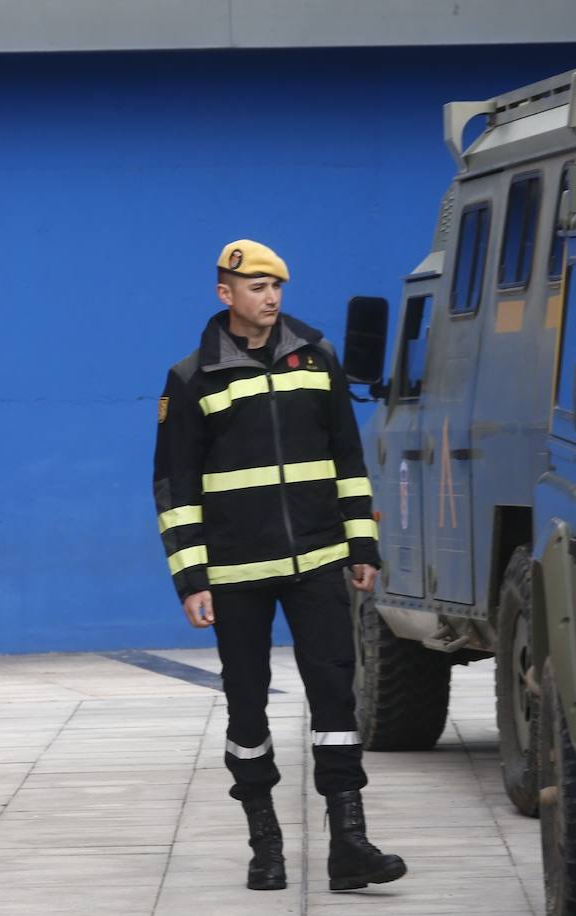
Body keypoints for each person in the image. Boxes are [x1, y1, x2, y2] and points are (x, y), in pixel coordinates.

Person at [152, 239, 406, 893]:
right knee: (246, 711)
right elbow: (175, 487)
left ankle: (349, 844)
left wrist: (362, 547)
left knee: (335, 701)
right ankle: (265, 846)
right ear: (225, 294)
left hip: (319, 560)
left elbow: (347, 459)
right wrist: (191, 578)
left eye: (277, 287)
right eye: (258, 286)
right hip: (235, 574)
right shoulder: (192, 379)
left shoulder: (316, 357)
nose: (271, 297)